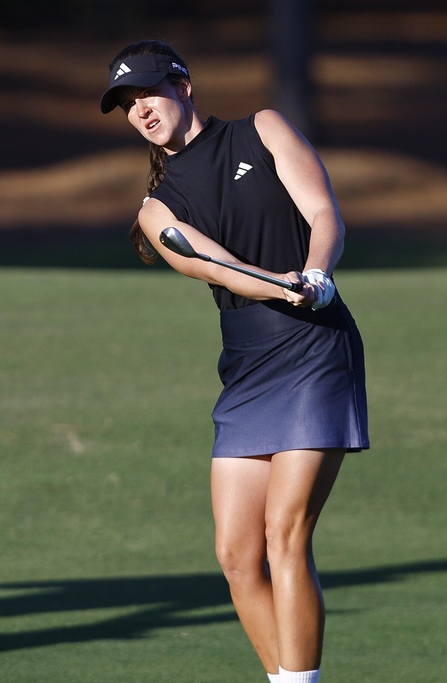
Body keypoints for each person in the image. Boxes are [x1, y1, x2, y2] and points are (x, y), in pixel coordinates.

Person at [99, 40, 369, 683]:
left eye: (148, 93)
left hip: (312, 347)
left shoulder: (263, 129)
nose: (140, 110)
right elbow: (217, 267)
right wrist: (281, 283)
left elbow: (323, 211)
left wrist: (316, 273)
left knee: (284, 534)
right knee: (236, 553)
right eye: (127, 104)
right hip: (249, 362)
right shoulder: (157, 208)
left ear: (183, 86)